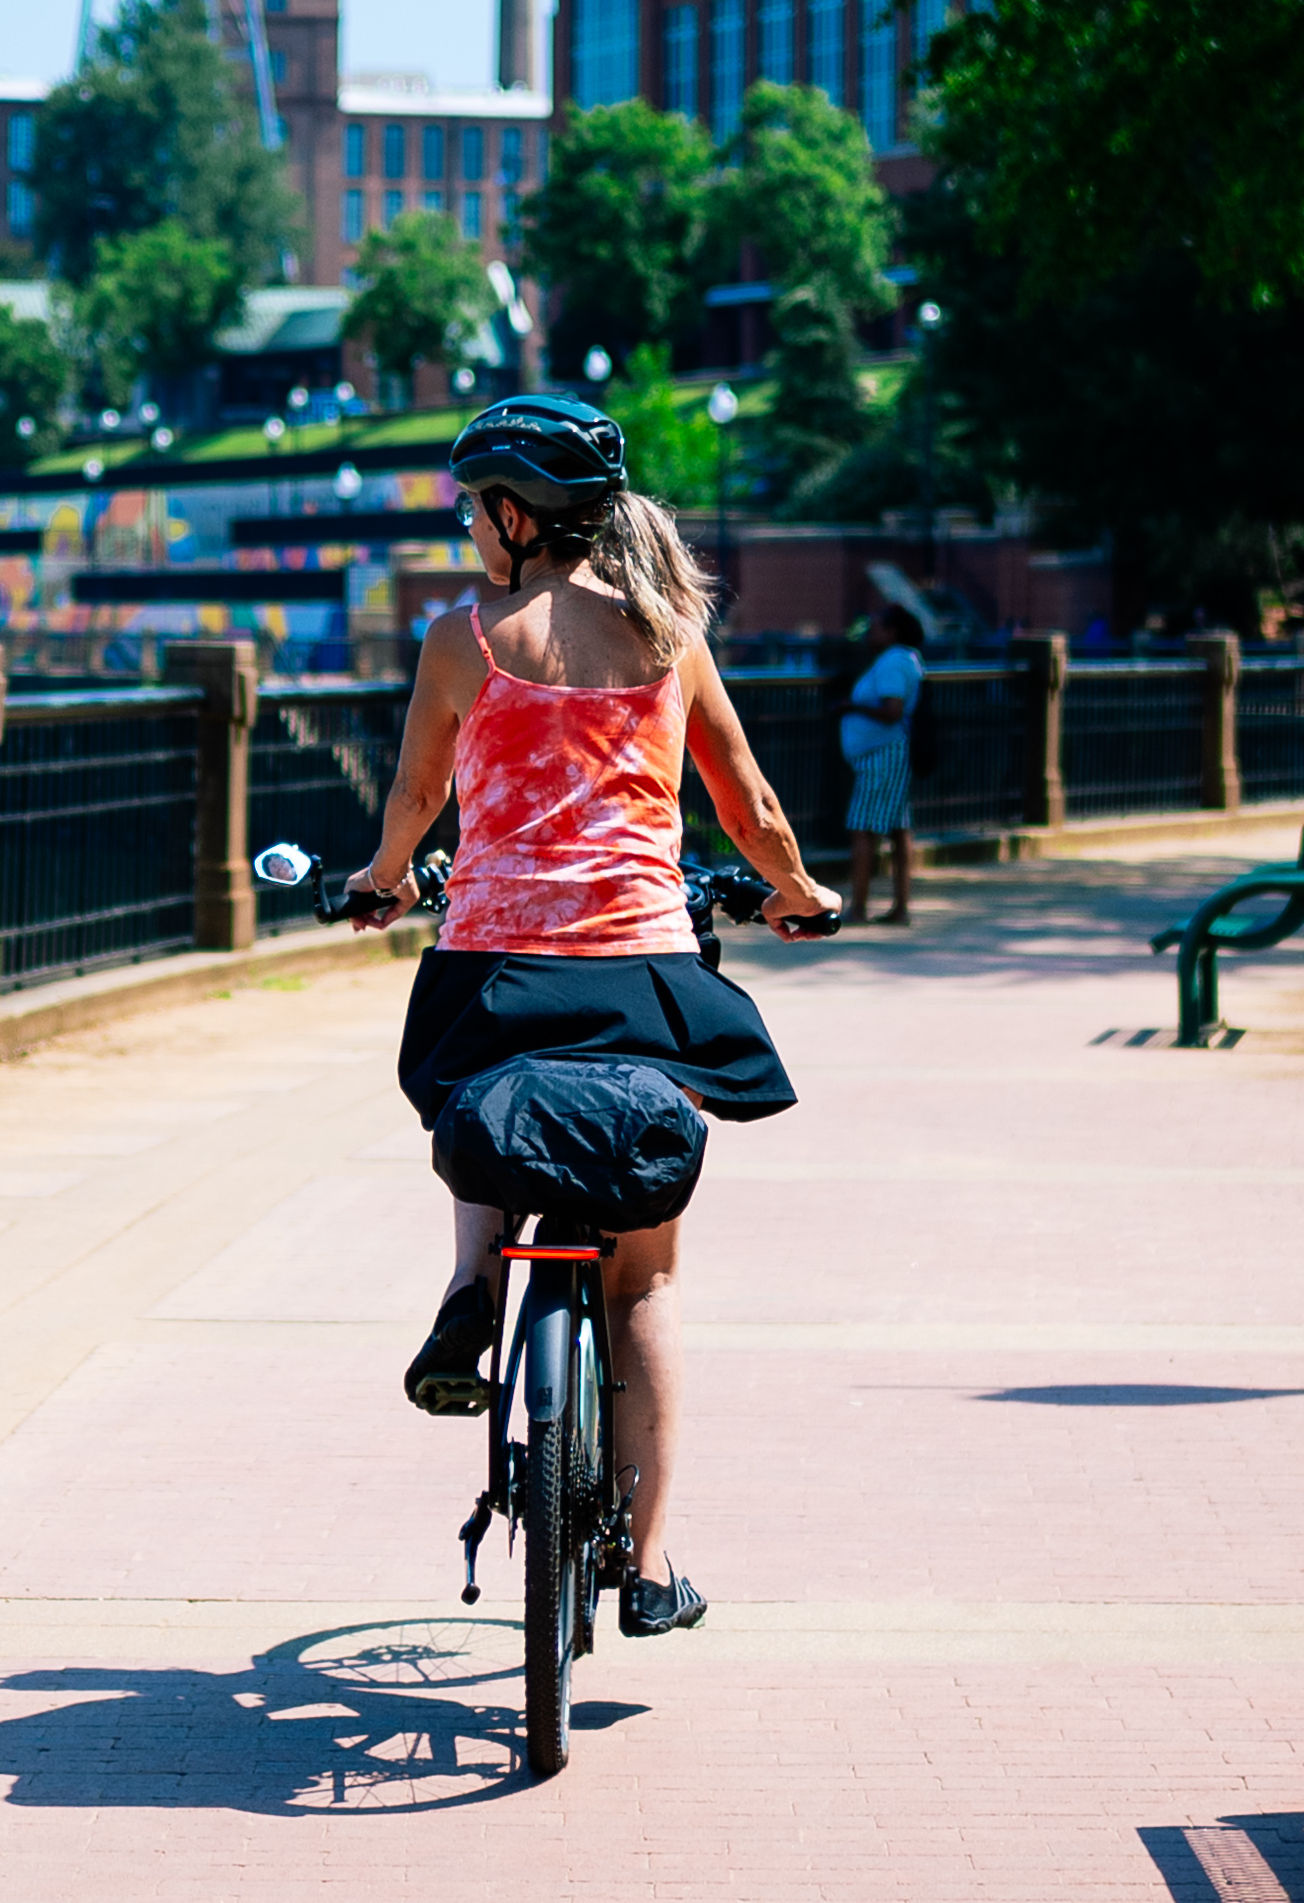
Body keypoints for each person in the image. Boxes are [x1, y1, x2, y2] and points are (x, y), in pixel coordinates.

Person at [339, 386, 835, 1641]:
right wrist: (798, 891)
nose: (467, 525)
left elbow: (415, 798)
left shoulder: (462, 638)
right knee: (644, 1279)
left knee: (474, 1093)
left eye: (472, 506)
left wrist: (383, 879)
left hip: (493, 970)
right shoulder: (668, 634)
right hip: (642, 976)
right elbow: (749, 804)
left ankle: (471, 1284)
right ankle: (652, 1565)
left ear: (516, 514)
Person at [834, 601, 927, 924]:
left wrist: (851, 707)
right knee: (898, 829)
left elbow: (892, 710)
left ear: (891, 632)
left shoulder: (893, 663)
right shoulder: (905, 659)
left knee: (862, 828)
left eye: (875, 628)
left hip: (882, 755)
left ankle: (859, 907)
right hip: (889, 753)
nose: (869, 633)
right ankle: (900, 907)